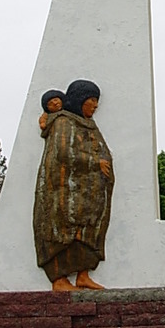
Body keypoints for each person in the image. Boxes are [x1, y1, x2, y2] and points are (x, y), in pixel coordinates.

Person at [33, 79, 114, 291]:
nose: (95, 106)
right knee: (64, 235)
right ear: (80, 100)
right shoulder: (63, 122)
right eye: (92, 100)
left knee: (86, 235)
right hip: (65, 195)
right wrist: (95, 162)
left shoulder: (87, 123)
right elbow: (63, 153)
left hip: (87, 196)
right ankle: (59, 280)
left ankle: (83, 276)